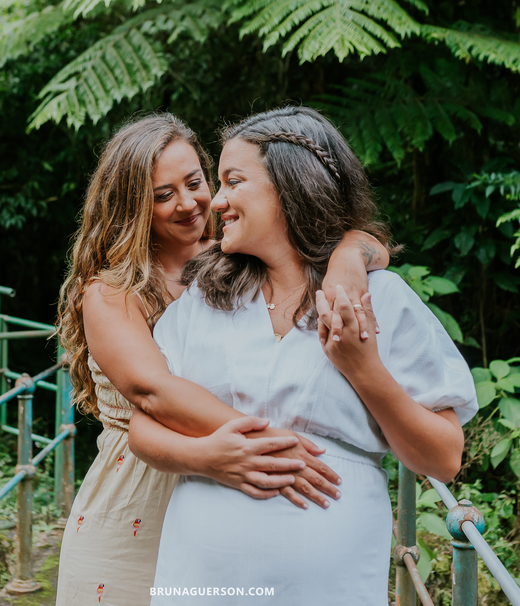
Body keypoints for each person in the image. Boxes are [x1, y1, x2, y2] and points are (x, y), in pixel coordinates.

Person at [128, 107, 479, 605]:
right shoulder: (204, 298)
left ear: (290, 185)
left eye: (233, 182)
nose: (216, 201)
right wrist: (210, 459)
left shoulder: (381, 298)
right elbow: (142, 431)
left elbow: (443, 459)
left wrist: (364, 370)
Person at [54, 113, 392, 606]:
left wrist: (348, 256)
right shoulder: (111, 293)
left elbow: (358, 242)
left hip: (235, 497)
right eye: (163, 194)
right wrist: (272, 446)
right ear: (132, 205)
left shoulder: (235, 258)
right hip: (138, 500)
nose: (188, 202)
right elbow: (153, 390)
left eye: (194, 183)